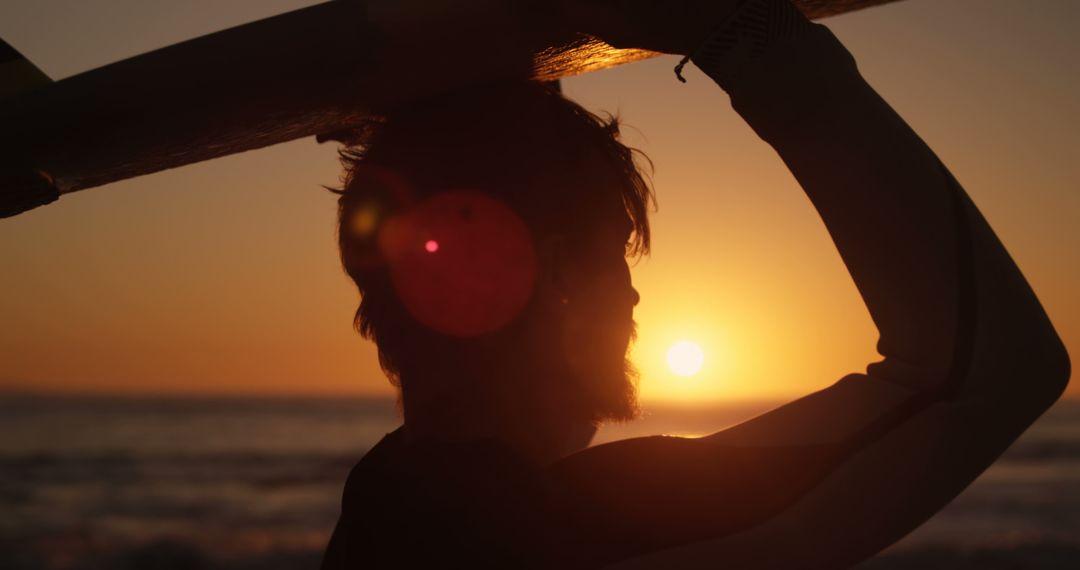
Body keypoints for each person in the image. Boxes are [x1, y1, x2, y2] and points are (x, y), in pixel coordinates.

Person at [321, 0, 1071, 567]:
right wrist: (747, 34)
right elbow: (986, 373)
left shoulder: (385, 509)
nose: (636, 297)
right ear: (552, 276)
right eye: (616, 254)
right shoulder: (573, 528)